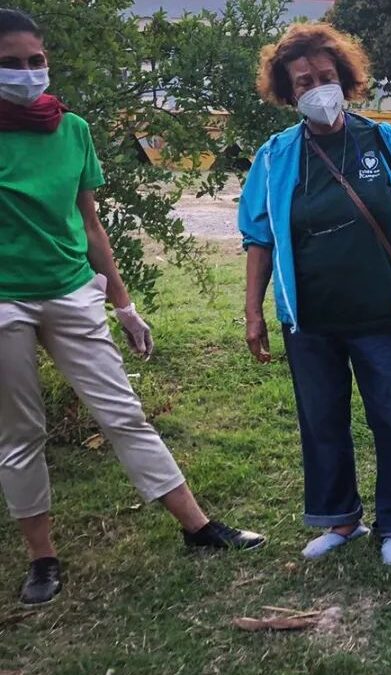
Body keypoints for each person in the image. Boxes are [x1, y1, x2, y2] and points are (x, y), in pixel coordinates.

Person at [0, 8, 265, 608]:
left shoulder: (73, 130)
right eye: (10, 64)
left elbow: (90, 223)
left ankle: (198, 528)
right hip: (4, 301)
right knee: (20, 435)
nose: (26, 73)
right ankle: (42, 559)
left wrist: (122, 303)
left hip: (71, 290)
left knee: (124, 415)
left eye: (34, 61)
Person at [239, 23, 391, 565]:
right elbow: (258, 238)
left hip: (382, 312)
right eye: (303, 81)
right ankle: (341, 520)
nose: (317, 88)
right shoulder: (276, 156)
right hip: (309, 319)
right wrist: (254, 313)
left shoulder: (384, 140)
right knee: (322, 420)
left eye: (326, 77)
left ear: (345, 79)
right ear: (289, 92)